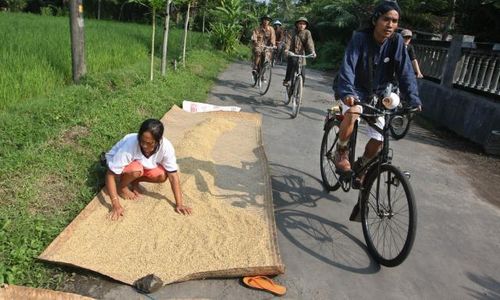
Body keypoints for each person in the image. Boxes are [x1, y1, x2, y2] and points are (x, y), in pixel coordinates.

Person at [333, 0, 422, 220]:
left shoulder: (398, 42)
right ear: (376, 20)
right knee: (353, 113)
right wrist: (347, 92)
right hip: (354, 90)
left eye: (395, 21)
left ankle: (361, 165)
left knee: (380, 140)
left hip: (378, 95)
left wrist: (413, 99)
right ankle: (341, 153)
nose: (390, 24)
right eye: (386, 19)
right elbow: (348, 67)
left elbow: (405, 73)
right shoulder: (360, 38)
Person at [104, 119, 192, 221]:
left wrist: (180, 204)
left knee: (162, 175)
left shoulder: (166, 147)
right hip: (120, 165)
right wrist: (116, 204)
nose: (144, 145)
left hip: (141, 166)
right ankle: (121, 186)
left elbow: (173, 176)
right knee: (136, 170)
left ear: (158, 141)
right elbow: (110, 174)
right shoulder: (131, 144)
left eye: (149, 143)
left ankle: (134, 181)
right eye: (142, 141)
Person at [283, 17, 316, 87]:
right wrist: (286, 50)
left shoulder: (307, 32)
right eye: (300, 23)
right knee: (290, 66)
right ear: (297, 24)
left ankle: (298, 90)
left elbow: (310, 43)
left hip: (301, 55)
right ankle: (286, 80)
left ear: (306, 25)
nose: (302, 25)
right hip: (292, 53)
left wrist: (312, 51)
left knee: (303, 75)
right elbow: (288, 42)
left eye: (304, 24)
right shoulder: (291, 32)